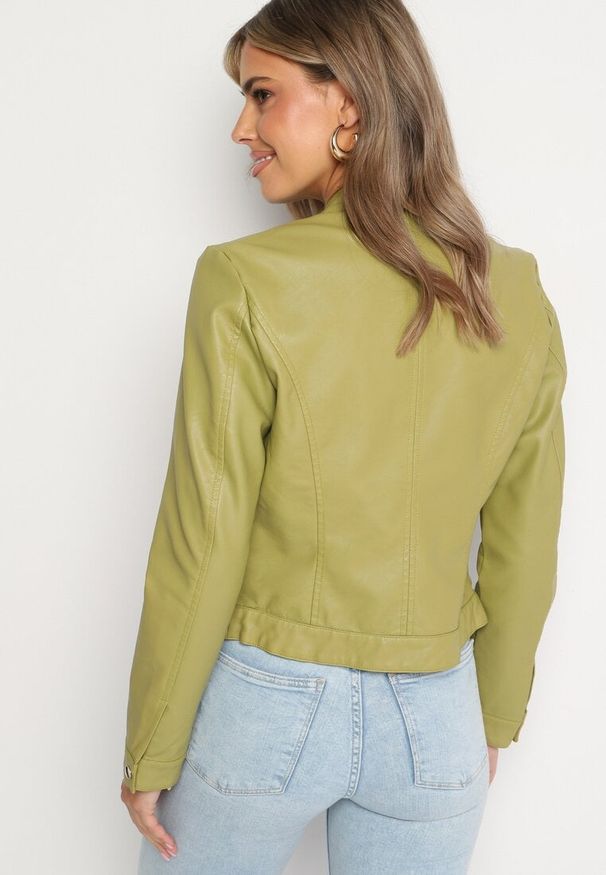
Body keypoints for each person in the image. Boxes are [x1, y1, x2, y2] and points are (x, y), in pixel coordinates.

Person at [120, 1, 567, 872]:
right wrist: (491, 715)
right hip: (436, 713)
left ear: (350, 107)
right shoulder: (513, 289)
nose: (241, 127)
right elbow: (526, 539)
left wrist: (152, 746)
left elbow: (202, 540)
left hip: (267, 703)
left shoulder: (244, 280)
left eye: (262, 94)